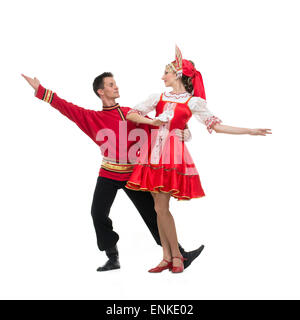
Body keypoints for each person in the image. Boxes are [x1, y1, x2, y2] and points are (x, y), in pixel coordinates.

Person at [21, 72, 205, 272]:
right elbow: (67, 107)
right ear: (101, 91)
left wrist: (184, 133)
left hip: (133, 176)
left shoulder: (131, 114)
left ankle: (180, 254)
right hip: (108, 173)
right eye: (111, 84)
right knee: (97, 213)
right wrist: (41, 91)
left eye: (115, 83)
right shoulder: (92, 118)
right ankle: (112, 257)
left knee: (154, 214)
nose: (116, 87)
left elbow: (162, 126)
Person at [125, 45, 272, 273]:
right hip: (151, 153)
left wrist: (249, 130)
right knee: (157, 207)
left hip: (170, 155)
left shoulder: (193, 102)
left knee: (161, 208)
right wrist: (151, 122)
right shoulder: (158, 96)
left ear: (178, 75)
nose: (162, 76)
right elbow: (132, 113)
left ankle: (175, 257)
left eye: (166, 72)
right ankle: (167, 256)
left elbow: (217, 126)